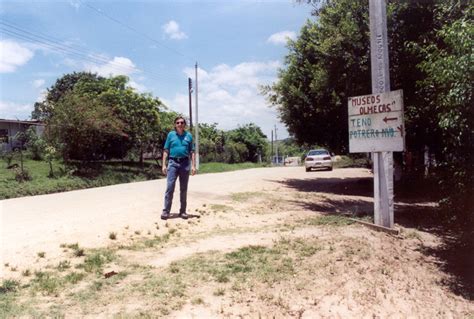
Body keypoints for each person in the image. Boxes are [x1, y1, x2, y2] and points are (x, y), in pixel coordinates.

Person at [161, 116, 196, 220]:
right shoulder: (171, 135)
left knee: (183, 189)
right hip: (173, 163)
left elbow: (192, 152)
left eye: (182, 122)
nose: (180, 124)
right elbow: (166, 150)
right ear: (175, 124)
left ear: (184, 124)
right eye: (178, 123)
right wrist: (164, 164)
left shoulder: (189, 136)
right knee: (170, 187)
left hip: (185, 164)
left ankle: (183, 211)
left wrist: (193, 166)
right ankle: (166, 211)